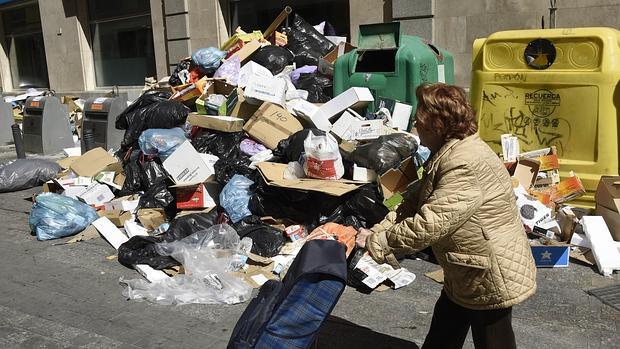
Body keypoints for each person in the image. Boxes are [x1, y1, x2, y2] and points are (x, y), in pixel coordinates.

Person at [356, 83, 536, 349]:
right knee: (445, 331)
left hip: (487, 269)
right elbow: (414, 202)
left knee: (491, 338)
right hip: (466, 265)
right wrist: (378, 230)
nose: (415, 128)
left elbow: (430, 223)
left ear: (436, 126)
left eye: (419, 123)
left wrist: (379, 243)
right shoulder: (449, 151)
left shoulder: (463, 162)